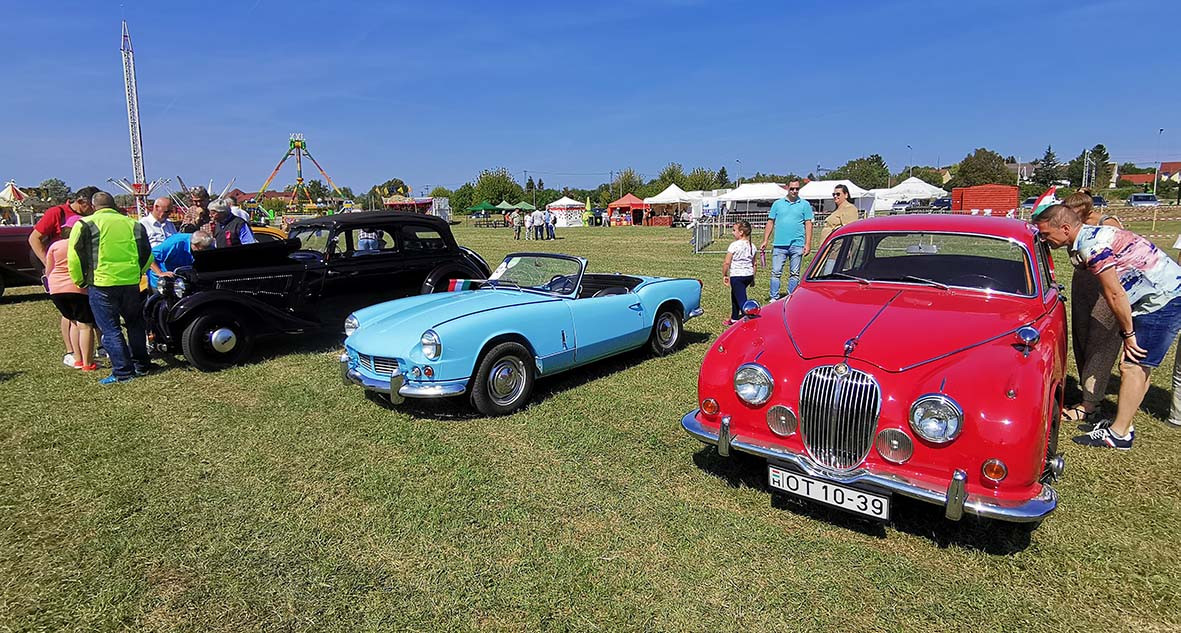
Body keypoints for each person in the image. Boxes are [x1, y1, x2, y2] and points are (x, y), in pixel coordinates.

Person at [1034, 204, 1181, 450]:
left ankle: (1119, 434)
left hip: (1164, 300)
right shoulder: (1090, 236)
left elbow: (1115, 294)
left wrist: (1128, 334)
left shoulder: (1092, 247)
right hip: (1159, 296)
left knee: (1133, 366)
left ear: (1065, 228)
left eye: (1047, 234)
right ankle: (1124, 424)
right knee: (1138, 366)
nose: (1045, 239)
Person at [67, 191, 153, 384]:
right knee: (135, 324)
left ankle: (123, 372)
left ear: (93, 206)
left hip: (102, 283)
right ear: (113, 205)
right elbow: (147, 254)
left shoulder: (85, 224)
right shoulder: (133, 224)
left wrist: (80, 280)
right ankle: (142, 364)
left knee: (111, 329)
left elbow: (74, 257)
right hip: (130, 282)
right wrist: (137, 272)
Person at [1054, 192, 1124, 423]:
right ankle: (1087, 392)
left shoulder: (1108, 225)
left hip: (1104, 289)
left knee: (1100, 344)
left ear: (1086, 212)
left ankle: (1091, 404)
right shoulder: (1074, 229)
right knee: (1082, 340)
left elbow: (1119, 260)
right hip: (1082, 286)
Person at [45, 216, 97, 370]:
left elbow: (48, 269)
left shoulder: (55, 245)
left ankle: (78, 359)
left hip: (56, 288)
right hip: (77, 287)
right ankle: (88, 363)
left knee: (73, 322)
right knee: (85, 325)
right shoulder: (83, 245)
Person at [759, 179, 814, 300]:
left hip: (797, 244)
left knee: (795, 274)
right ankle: (774, 297)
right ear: (787, 188)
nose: (794, 191)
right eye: (792, 188)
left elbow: (808, 224)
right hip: (779, 245)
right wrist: (765, 240)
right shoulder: (777, 204)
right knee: (776, 272)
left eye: (797, 189)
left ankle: (791, 297)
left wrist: (808, 243)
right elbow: (770, 222)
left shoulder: (805, 205)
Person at [27, 186, 99, 266]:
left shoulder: (94, 216)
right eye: (92, 206)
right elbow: (34, 238)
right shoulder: (57, 212)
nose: (95, 209)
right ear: (80, 201)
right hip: (58, 264)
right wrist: (48, 264)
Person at [148, 230, 213, 289]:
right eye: (202, 249)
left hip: (183, 280)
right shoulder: (175, 243)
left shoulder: (207, 245)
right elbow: (150, 256)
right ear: (195, 245)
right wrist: (160, 272)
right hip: (163, 280)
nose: (205, 250)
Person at [723, 220, 758, 326]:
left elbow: (727, 262)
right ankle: (734, 318)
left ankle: (750, 320)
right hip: (748, 275)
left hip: (737, 276)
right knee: (735, 295)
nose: (732, 232)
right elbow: (754, 263)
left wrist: (725, 274)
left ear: (741, 232)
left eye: (734, 230)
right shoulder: (752, 246)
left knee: (742, 301)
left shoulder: (734, 245)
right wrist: (753, 278)